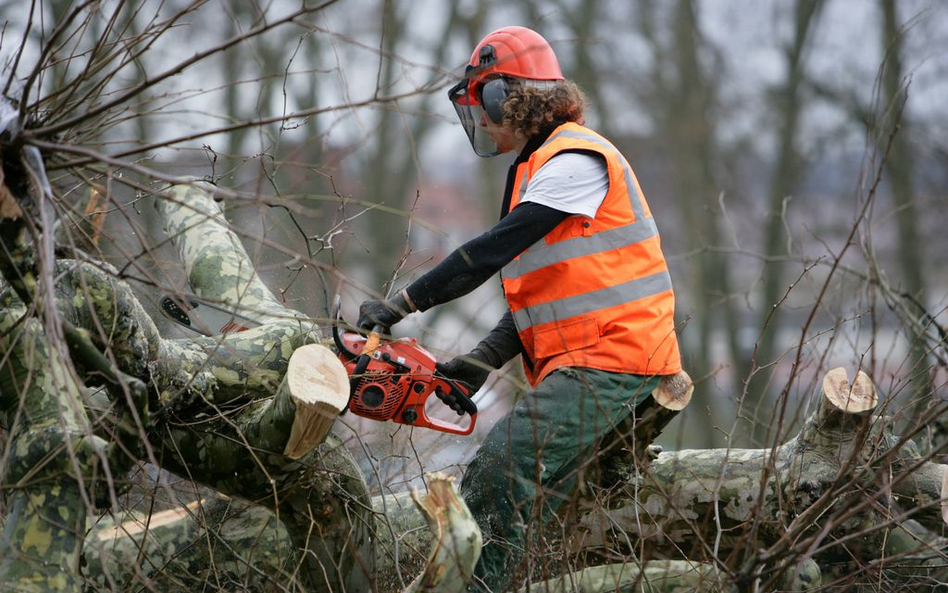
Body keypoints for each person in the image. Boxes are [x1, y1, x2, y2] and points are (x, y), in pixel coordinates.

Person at [357, 26, 682, 592]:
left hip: (617, 354)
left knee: (503, 466)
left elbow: (489, 252)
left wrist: (402, 303)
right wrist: (482, 361)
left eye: (484, 103)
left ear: (510, 96)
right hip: (588, 359)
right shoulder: (538, 171)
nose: (480, 120)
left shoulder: (577, 158)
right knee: (546, 511)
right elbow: (539, 296)